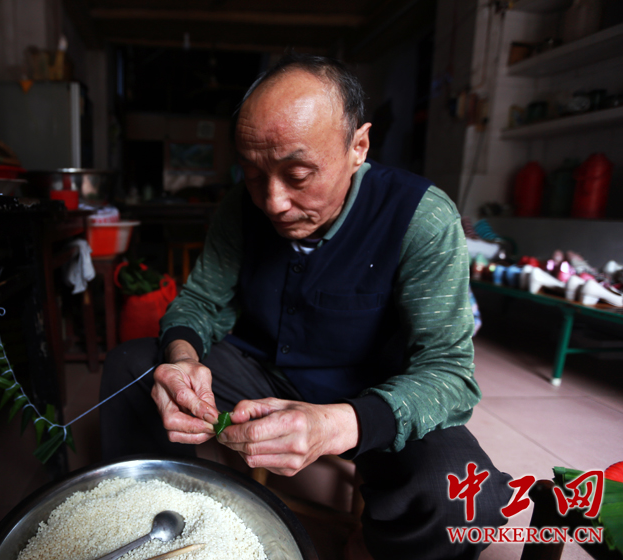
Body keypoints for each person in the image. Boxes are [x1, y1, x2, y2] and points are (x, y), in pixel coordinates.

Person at [100, 52, 512, 560]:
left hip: (374, 392)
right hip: (261, 373)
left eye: (298, 174)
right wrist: (182, 360)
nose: (272, 201)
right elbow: (201, 302)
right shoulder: (240, 207)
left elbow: (449, 372)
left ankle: (376, 547)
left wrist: (338, 423)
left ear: (358, 146)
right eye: (253, 173)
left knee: (466, 503)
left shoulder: (421, 218)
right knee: (134, 368)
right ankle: (154, 520)